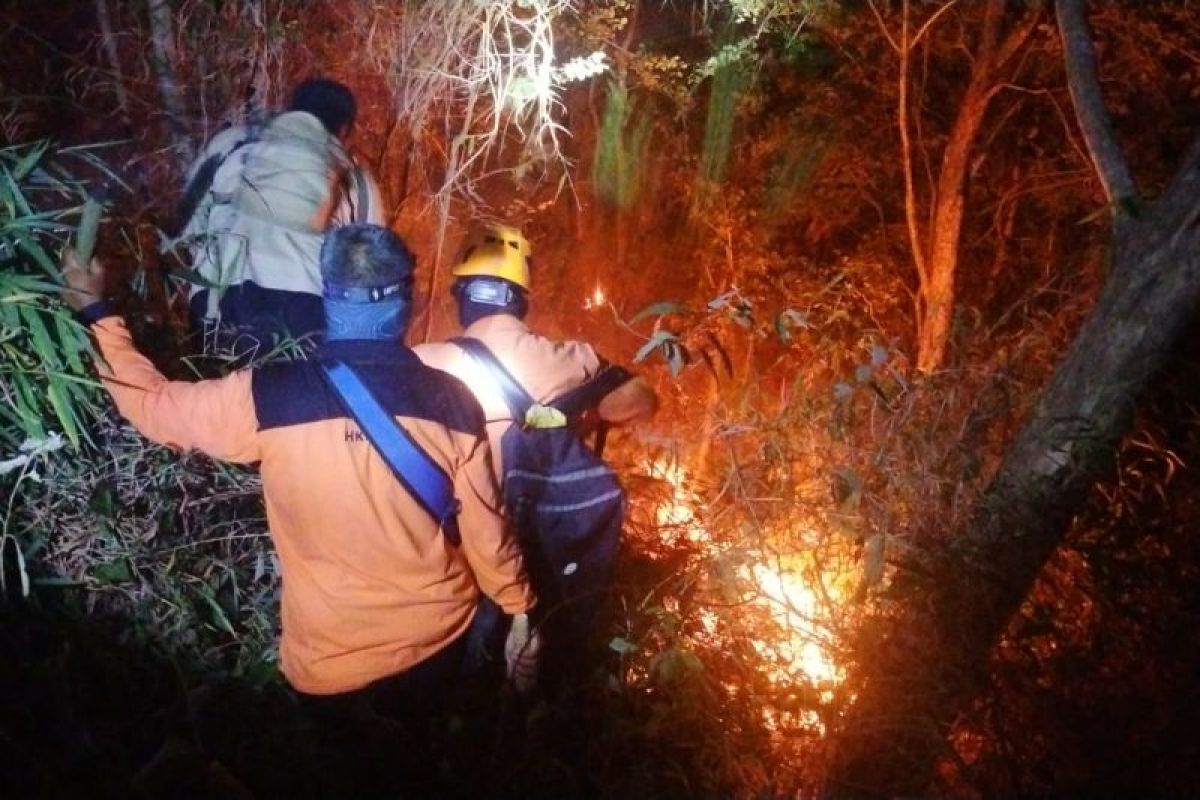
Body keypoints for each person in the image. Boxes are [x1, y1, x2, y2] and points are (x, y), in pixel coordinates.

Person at [62, 223, 539, 732]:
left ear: (327, 294)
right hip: (435, 645)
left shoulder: (267, 396)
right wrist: (522, 612)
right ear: (408, 299)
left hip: (326, 666)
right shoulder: (453, 401)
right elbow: (490, 538)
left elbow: (153, 405)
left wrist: (96, 312)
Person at [413, 223, 657, 682]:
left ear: (461, 295)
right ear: (521, 298)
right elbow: (641, 401)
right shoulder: (565, 359)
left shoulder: (421, 361)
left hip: (449, 549)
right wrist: (574, 412)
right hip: (532, 534)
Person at [174, 77, 384, 349]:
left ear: (292, 109)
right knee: (288, 391)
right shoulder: (356, 178)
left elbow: (189, 220)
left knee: (216, 387)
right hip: (303, 306)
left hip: (218, 295)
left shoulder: (232, 142)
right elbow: (370, 266)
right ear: (344, 128)